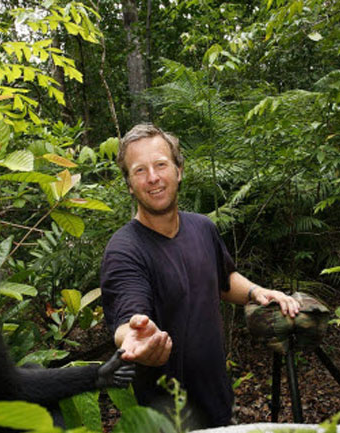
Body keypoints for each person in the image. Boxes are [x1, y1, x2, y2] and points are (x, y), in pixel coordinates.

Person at [100, 123, 301, 428]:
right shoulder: (124, 250)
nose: (153, 178)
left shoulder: (202, 228)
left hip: (217, 400)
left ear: (179, 170)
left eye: (161, 165)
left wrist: (256, 292)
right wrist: (136, 339)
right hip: (168, 417)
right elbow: (128, 319)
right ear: (129, 184)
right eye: (139, 170)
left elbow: (222, 279)